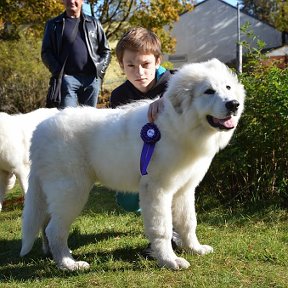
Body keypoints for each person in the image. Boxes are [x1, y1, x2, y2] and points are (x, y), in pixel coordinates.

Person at [110, 27, 175, 213]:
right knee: (128, 201)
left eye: (145, 64)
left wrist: (167, 99)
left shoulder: (176, 84)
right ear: (122, 65)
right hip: (138, 159)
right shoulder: (118, 96)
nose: (139, 72)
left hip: (173, 159)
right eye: (131, 65)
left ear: (157, 62)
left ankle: (170, 224)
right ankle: (147, 206)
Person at [41, 0, 111, 108]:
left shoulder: (94, 23)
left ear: (82, 1)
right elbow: (46, 52)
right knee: (67, 119)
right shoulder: (53, 24)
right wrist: (58, 71)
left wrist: (100, 72)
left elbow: (106, 51)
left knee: (90, 120)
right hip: (68, 80)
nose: (72, 1)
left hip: (91, 80)